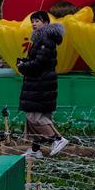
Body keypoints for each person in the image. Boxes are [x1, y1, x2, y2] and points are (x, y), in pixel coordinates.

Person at [17, 11, 68, 159]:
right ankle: (35, 150)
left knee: (34, 116)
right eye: (32, 21)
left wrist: (23, 66)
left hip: (40, 84)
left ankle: (57, 139)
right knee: (38, 116)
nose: (34, 24)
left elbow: (40, 63)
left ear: (46, 23)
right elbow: (39, 60)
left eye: (37, 21)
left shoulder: (45, 40)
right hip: (42, 83)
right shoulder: (43, 38)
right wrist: (25, 62)